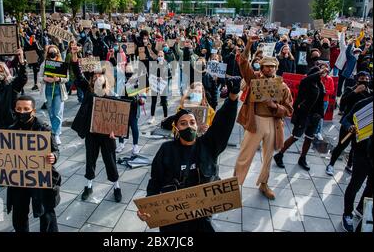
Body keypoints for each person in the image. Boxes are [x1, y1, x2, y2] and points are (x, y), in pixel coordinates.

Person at [137, 77, 241, 232]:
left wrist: (232, 98)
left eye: (192, 123)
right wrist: (148, 206)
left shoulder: (208, 146)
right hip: (173, 217)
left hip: (201, 215)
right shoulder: (166, 150)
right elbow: (155, 180)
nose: (188, 126)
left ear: (197, 125)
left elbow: (223, 123)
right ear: (177, 129)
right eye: (183, 123)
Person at [0, 96, 61, 232]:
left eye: (26, 109)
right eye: (19, 109)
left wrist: (53, 156)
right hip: (18, 181)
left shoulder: (44, 129)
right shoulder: (10, 130)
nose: (22, 112)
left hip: (40, 179)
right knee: (19, 215)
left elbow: (56, 150)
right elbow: (2, 153)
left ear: (33, 111)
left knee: (46, 214)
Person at [234, 36, 293, 200]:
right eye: (266, 67)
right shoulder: (254, 80)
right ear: (261, 67)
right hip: (256, 121)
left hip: (273, 123)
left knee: (268, 157)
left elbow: (289, 109)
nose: (270, 70)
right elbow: (243, 63)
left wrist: (275, 106)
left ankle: (264, 183)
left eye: (272, 67)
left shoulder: (282, 86)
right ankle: (235, 183)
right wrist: (249, 44)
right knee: (245, 154)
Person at [70, 46, 123, 203]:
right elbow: (78, 75)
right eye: (95, 76)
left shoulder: (112, 95)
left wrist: (117, 132)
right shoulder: (88, 90)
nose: (97, 78)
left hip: (107, 134)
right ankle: (88, 185)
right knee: (90, 160)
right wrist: (74, 56)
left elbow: (119, 116)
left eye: (101, 75)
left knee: (111, 161)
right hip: (92, 133)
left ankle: (117, 186)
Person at [273, 66, 327, 171]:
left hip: (314, 116)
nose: (321, 76)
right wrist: (319, 72)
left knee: (309, 138)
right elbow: (306, 79)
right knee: (296, 136)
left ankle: (302, 158)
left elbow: (321, 101)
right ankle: (279, 155)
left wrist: (320, 115)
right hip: (304, 115)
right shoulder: (306, 82)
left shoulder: (320, 85)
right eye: (319, 74)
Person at [325, 71, 372, 176]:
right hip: (348, 124)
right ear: (357, 79)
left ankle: (349, 165)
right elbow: (343, 103)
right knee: (342, 144)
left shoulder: (370, 93)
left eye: (366, 79)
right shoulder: (350, 90)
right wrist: (355, 91)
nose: (364, 81)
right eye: (362, 79)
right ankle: (331, 164)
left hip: (362, 126)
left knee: (356, 147)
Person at [340, 97, 373, 232]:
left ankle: (361, 208)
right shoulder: (363, 104)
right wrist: (350, 126)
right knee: (355, 184)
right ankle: (347, 213)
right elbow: (345, 119)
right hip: (361, 153)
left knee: (371, 187)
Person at [39, 45, 68, 145]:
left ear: (57, 53)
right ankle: (54, 130)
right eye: (50, 52)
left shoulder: (61, 63)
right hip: (48, 90)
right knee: (51, 113)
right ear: (48, 53)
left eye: (54, 52)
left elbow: (66, 78)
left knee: (57, 113)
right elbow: (39, 76)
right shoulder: (44, 64)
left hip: (58, 90)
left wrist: (59, 79)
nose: (52, 54)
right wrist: (44, 79)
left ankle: (56, 134)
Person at [116, 64, 142, 155]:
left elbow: (142, 94)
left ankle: (135, 145)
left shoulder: (137, 81)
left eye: (130, 71)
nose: (128, 73)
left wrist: (142, 99)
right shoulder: (121, 81)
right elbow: (117, 93)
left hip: (133, 107)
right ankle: (121, 143)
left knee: (134, 126)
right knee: (121, 125)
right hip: (123, 106)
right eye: (127, 71)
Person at [315, 62, 335, 141]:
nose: (323, 71)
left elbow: (332, 90)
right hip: (316, 99)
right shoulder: (317, 77)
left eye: (325, 69)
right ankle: (314, 131)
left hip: (324, 100)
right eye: (322, 68)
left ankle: (318, 132)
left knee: (320, 117)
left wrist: (324, 91)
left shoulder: (330, 79)